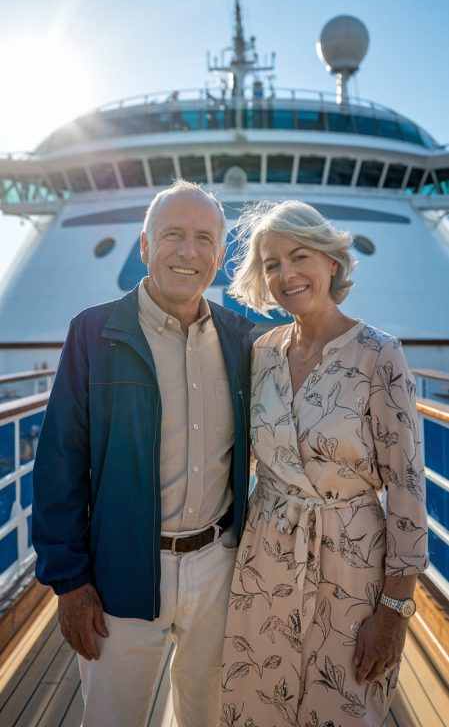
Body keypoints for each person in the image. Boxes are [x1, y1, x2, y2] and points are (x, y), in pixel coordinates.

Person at [32, 180, 253, 727]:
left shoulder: (241, 339)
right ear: (146, 247)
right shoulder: (95, 332)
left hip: (218, 565)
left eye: (204, 239)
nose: (188, 251)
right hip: (120, 571)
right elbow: (60, 462)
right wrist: (70, 582)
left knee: (209, 716)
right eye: (173, 234)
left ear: (220, 257)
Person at [220, 200, 428, 727]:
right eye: (271, 264)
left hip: (351, 566)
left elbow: (406, 490)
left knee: (342, 706)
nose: (285, 274)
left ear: (331, 262)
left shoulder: (379, 354)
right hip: (264, 559)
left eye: (299, 255)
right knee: (254, 703)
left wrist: (395, 610)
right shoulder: (261, 352)